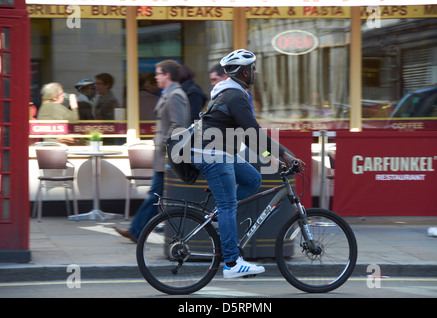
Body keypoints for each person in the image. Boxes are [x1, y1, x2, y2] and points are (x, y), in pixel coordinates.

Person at [192, 49, 303, 279]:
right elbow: (254, 132)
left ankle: (221, 215)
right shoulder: (235, 96)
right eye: (253, 68)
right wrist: (285, 156)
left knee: (253, 180)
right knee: (229, 205)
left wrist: (271, 158)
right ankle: (232, 263)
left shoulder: (232, 93)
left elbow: (250, 136)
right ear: (244, 72)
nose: (255, 72)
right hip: (213, 154)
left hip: (219, 151)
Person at [114, 60, 190, 242]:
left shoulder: (175, 95)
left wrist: (162, 143)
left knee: (155, 196)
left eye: (158, 73)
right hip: (163, 157)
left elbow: (179, 126)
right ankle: (137, 230)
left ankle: (137, 230)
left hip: (169, 157)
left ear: (167, 75)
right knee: (155, 196)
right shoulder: (168, 94)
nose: (155, 77)